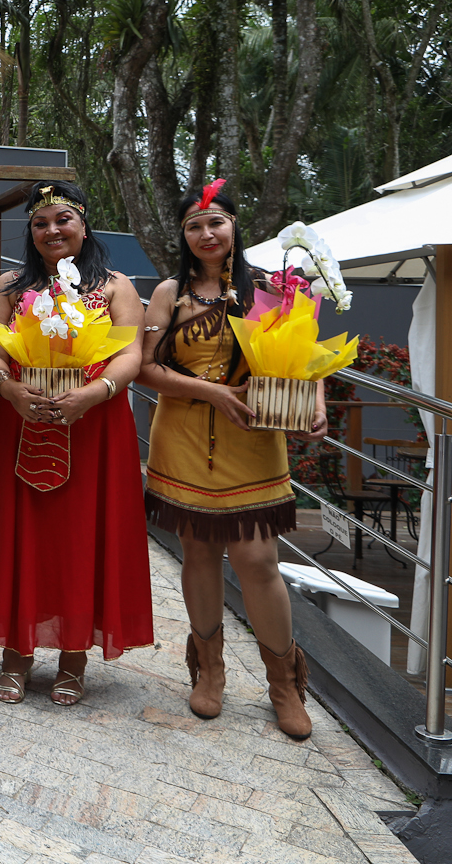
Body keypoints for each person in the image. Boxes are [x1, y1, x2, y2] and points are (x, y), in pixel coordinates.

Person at [138, 180, 324, 739]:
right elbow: (145, 368)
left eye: (215, 221)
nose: (206, 233)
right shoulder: (169, 293)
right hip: (184, 440)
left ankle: (284, 683)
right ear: (183, 235)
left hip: (254, 441)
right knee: (198, 553)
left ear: (235, 225)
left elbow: (306, 352)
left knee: (258, 560)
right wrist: (213, 393)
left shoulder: (270, 287)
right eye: (194, 225)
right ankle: (210, 670)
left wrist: (315, 400)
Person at [0, 180, 154, 705]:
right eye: (40, 223)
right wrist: (8, 390)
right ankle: (16, 655)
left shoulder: (116, 286)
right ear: (30, 232)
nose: (52, 230)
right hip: (23, 421)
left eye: (62, 219)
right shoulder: (10, 285)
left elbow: (131, 355)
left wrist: (93, 394)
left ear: (83, 224)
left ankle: (74, 659)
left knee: (82, 538)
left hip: (94, 426)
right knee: (22, 535)